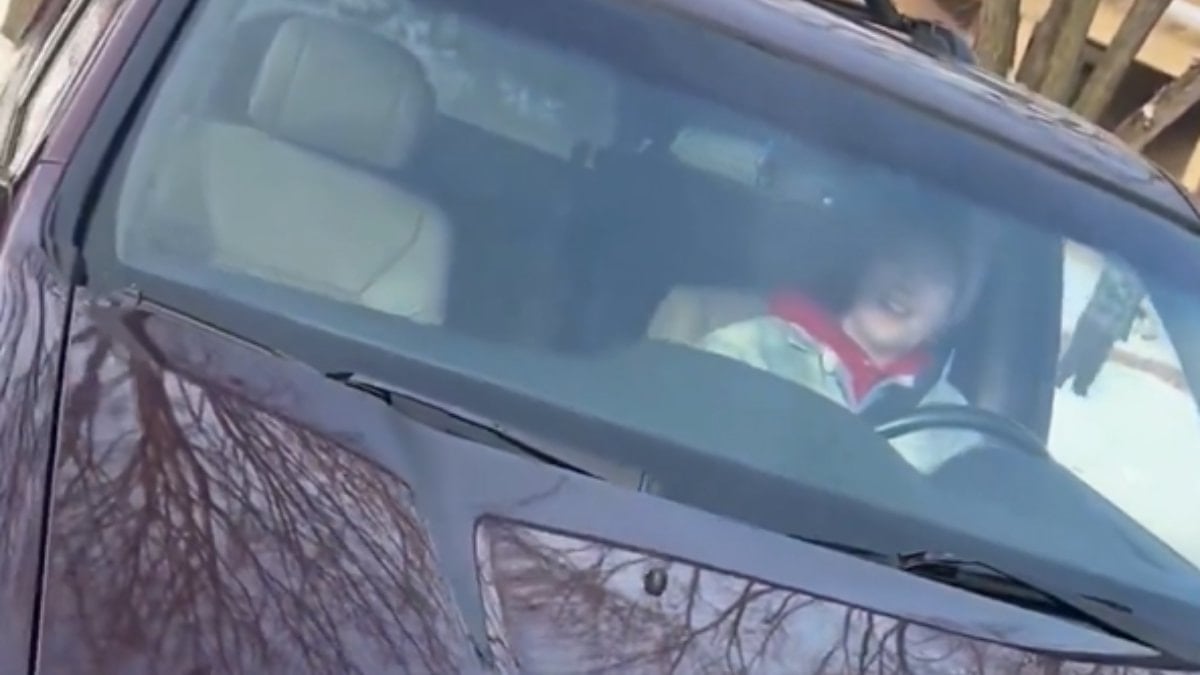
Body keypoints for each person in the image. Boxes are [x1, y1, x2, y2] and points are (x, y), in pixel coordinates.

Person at [697, 222, 985, 472]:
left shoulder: (954, 426)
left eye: (933, 275)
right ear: (866, 267)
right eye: (898, 258)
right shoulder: (752, 347)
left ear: (948, 317)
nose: (907, 282)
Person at [1056, 260, 1146, 397]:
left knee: (1095, 359)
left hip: (1111, 326)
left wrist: (1135, 310)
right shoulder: (1119, 266)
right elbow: (1114, 289)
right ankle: (1061, 378)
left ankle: (1080, 386)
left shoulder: (1136, 274)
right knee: (1078, 350)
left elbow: (1129, 296)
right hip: (1096, 318)